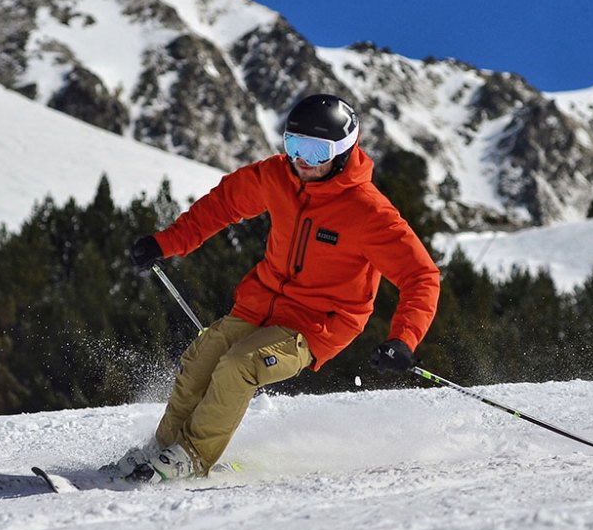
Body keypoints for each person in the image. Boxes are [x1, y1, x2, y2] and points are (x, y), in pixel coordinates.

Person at [115, 94, 440, 481]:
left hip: (317, 323)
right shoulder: (276, 176)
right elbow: (223, 204)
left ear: (342, 152)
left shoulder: (368, 212)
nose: (302, 159)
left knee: (239, 365)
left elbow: (421, 276)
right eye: (293, 145)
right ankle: (163, 447)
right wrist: (165, 243)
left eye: (316, 151)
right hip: (260, 304)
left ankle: (191, 457)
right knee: (202, 355)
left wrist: (404, 338)